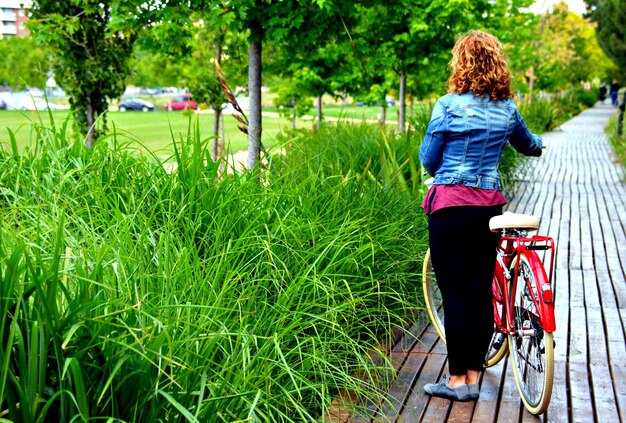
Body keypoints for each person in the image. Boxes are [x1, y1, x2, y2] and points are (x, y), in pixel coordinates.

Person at [418, 30, 543, 402]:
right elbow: (529, 144)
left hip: (451, 205)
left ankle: (458, 382)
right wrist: (539, 145)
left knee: (454, 294)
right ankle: (474, 372)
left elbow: (428, 157)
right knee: (479, 291)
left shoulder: (448, 105)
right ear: (497, 64)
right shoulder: (507, 109)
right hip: (489, 208)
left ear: (460, 63)